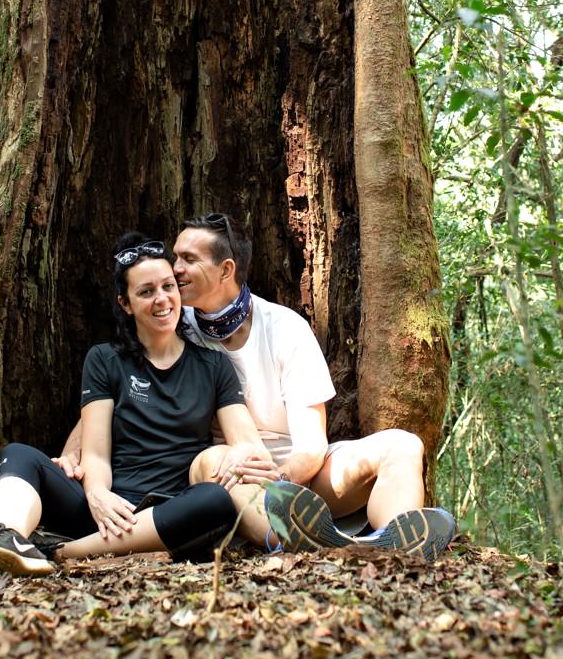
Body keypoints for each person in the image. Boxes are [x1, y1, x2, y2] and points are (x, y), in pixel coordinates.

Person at [0, 233, 272, 578]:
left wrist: (251, 458)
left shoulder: (213, 366)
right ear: (125, 304)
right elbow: (95, 452)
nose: (162, 300)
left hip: (168, 513)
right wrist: (97, 494)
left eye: (168, 286)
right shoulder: (105, 359)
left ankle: (60, 551)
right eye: (146, 292)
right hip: (107, 506)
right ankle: (7, 538)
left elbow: (243, 437)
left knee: (215, 501)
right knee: (19, 454)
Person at [171, 213, 454, 558]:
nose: (175, 269)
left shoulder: (284, 328)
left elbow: (310, 446)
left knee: (403, 445)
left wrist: (281, 476)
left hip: (298, 480)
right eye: (175, 258)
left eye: (188, 259)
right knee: (212, 460)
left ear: (226, 270)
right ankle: (292, 539)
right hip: (231, 475)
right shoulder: (173, 328)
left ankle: (393, 548)